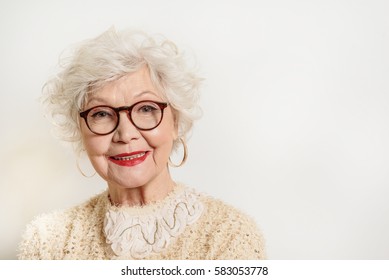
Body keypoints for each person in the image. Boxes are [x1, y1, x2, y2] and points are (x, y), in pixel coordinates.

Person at [18, 27, 266, 260]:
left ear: (175, 121)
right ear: (79, 129)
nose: (125, 134)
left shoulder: (230, 235)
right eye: (101, 113)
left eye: (146, 108)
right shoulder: (45, 242)